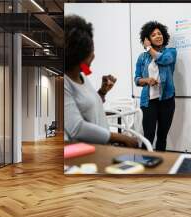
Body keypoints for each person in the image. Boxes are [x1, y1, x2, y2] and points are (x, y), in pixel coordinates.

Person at [64, 15, 137, 147]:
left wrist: (103, 92)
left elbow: (88, 105)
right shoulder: (65, 83)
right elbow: (76, 128)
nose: (94, 55)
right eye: (91, 50)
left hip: (101, 149)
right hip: (85, 156)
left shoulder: (82, 75)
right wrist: (120, 138)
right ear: (79, 55)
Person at [134, 21, 177, 151]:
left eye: (160, 33)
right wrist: (146, 80)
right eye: (153, 35)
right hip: (148, 102)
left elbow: (163, 60)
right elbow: (136, 79)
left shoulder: (171, 52)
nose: (158, 36)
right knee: (148, 136)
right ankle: (144, 164)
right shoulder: (142, 58)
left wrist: (149, 48)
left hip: (167, 100)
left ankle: (160, 166)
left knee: (162, 136)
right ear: (147, 39)